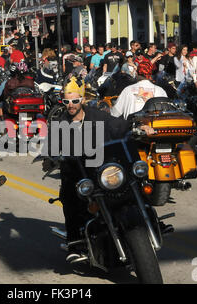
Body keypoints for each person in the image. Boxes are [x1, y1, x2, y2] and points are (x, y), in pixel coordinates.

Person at [42, 76, 155, 262]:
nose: (70, 105)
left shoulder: (97, 115)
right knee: (70, 195)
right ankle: (75, 243)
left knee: (135, 181)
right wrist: (49, 158)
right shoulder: (60, 123)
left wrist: (139, 126)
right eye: (66, 101)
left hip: (104, 167)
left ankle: (149, 217)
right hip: (79, 170)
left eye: (75, 100)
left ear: (82, 100)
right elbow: (52, 145)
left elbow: (118, 125)